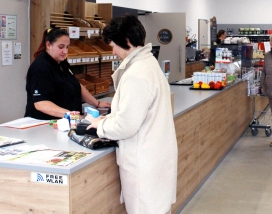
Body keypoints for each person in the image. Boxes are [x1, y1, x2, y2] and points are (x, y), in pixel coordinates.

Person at [84, 14, 178, 214]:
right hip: (154, 156)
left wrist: (100, 126)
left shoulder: (136, 74)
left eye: (113, 46)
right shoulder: (149, 65)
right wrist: (108, 118)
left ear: (126, 42)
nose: (114, 52)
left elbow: (126, 126)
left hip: (143, 162)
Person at [25, 28, 110, 120]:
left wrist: (97, 103)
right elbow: (41, 104)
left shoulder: (62, 63)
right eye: (61, 47)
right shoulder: (41, 67)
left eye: (67, 47)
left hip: (67, 121)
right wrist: (73, 115)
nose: (65, 51)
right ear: (48, 45)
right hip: (44, 124)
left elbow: (76, 85)